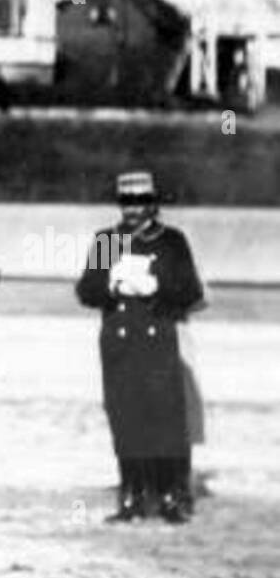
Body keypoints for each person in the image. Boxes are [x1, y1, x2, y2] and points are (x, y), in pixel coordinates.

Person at [76, 171, 204, 524]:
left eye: (139, 202)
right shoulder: (107, 241)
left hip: (157, 338)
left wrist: (156, 287)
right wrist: (114, 286)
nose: (132, 210)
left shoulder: (171, 242)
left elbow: (191, 292)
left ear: (152, 203)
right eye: (126, 203)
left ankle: (171, 495)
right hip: (119, 341)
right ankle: (132, 495)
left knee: (165, 417)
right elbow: (86, 290)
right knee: (125, 417)